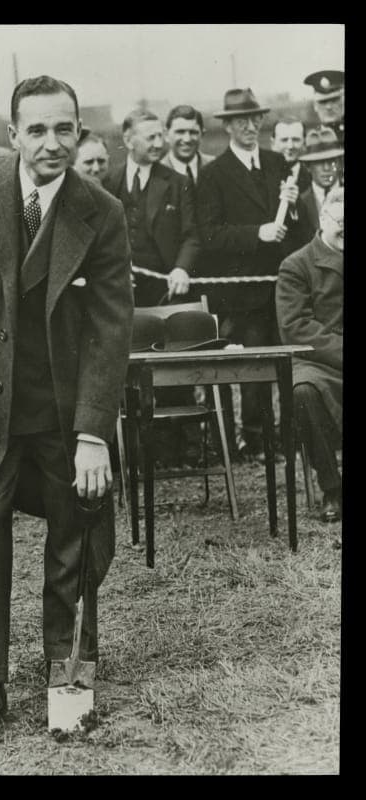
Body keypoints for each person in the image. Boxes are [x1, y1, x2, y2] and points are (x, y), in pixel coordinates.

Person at [0, 75, 133, 742]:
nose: (51, 143)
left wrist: (93, 435)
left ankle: (66, 676)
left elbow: (110, 329)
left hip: (62, 413)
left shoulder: (101, 212)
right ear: (12, 134)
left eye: (64, 129)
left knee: (78, 527)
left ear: (80, 132)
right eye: (36, 129)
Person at [196, 88, 301, 458]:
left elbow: (294, 224)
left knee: (288, 362)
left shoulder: (277, 163)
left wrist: (292, 207)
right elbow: (210, 235)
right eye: (241, 120)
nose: (250, 126)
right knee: (254, 365)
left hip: (283, 286)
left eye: (255, 118)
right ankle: (257, 440)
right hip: (244, 291)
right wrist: (258, 233)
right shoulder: (213, 174)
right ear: (227, 126)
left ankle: (290, 437)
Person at [276, 186, 343, 523]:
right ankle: (332, 488)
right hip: (317, 362)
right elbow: (296, 327)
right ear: (323, 219)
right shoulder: (296, 265)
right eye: (341, 222)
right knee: (303, 392)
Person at [103, 109, 200, 307]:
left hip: (167, 290)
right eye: (150, 138)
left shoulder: (179, 183)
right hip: (120, 290)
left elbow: (192, 235)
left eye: (160, 136)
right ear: (128, 141)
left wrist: (181, 269)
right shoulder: (109, 182)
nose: (159, 144)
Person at [297, 127, 344, 243]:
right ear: (308, 166)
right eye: (319, 162)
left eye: (332, 160)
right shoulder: (300, 202)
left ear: (339, 163)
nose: (326, 168)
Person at [161, 104, 215, 186]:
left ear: (202, 134)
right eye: (180, 132)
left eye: (193, 132)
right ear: (166, 135)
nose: (187, 139)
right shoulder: (154, 174)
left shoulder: (217, 168)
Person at [303, 70, 344, 145]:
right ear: (315, 106)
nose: (328, 107)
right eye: (323, 102)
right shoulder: (310, 140)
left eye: (334, 100)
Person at [270, 117, 311, 192]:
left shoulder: (312, 176)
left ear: (304, 143)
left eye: (296, 140)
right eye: (284, 140)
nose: (290, 146)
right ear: (273, 144)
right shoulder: (262, 176)